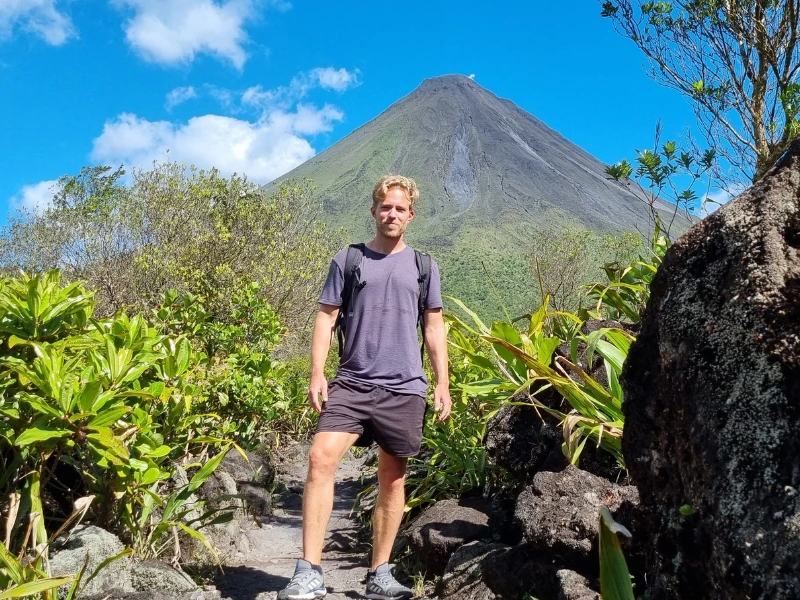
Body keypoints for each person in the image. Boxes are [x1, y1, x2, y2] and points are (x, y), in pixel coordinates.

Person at [278, 175, 452, 600]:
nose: (391, 214)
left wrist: (443, 383)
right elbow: (326, 317)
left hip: (404, 387)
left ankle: (380, 575)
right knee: (320, 458)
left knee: (392, 478)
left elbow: (434, 327)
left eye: (399, 208)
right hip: (352, 382)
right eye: (385, 207)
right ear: (374, 211)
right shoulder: (348, 260)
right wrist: (317, 373)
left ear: (411, 215)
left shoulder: (424, 266)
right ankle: (309, 571)